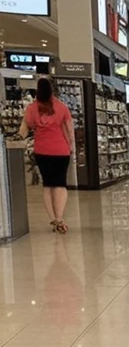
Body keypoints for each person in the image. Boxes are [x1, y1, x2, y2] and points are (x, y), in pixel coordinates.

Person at [19, 77, 75, 233]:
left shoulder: (32, 108)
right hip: (61, 150)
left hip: (42, 150)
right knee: (60, 184)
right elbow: (69, 129)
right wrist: (71, 146)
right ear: (52, 91)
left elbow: (24, 128)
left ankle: (53, 219)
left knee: (48, 184)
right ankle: (60, 217)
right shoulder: (62, 107)